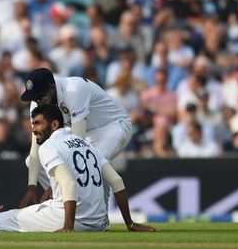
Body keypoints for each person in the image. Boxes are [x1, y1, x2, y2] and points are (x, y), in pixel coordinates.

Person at [0, 104, 141, 232]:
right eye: (32, 123)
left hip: (69, 219)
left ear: (54, 124)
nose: (33, 128)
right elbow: (116, 181)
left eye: (37, 123)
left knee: (5, 220)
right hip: (99, 223)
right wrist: (129, 224)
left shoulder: (49, 146)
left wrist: (68, 227)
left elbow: (69, 184)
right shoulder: (86, 144)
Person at [19, 68, 155, 232]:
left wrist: (57, 183)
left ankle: (99, 219)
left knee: (95, 161)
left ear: (52, 88)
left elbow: (79, 147)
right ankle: (68, 207)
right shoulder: (38, 103)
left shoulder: (74, 90)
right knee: (33, 161)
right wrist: (31, 186)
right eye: (35, 98)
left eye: (41, 97)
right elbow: (35, 151)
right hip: (83, 131)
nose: (38, 102)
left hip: (112, 125)